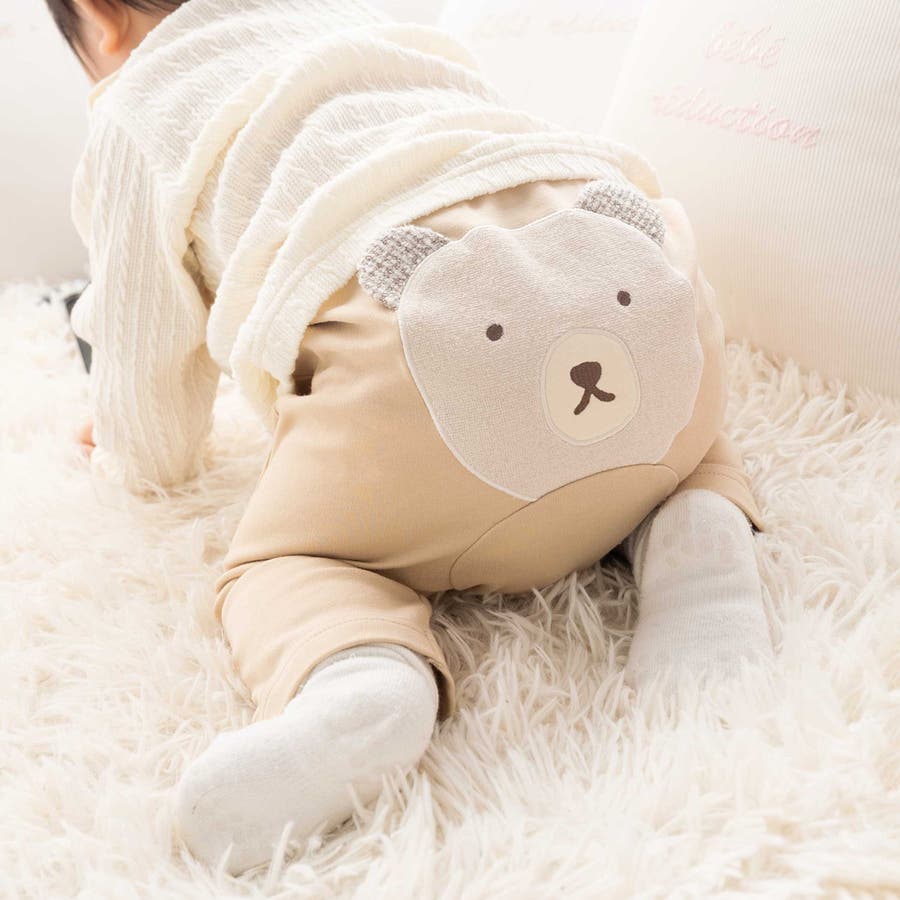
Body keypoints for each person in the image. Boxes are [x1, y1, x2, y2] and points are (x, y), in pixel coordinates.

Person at [50, 0, 774, 875]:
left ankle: (359, 676)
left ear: (100, 21)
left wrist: (127, 446)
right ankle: (698, 537)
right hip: (626, 260)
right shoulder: (367, 23)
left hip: (418, 341)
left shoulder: (140, 102)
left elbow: (145, 356)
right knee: (683, 434)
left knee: (283, 566)